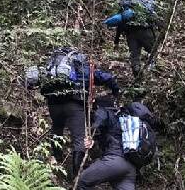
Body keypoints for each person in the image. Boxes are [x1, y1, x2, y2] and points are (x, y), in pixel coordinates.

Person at [27, 48, 119, 178]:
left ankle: (57, 161)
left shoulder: (52, 68)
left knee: (57, 130)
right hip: (75, 106)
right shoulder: (82, 68)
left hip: (54, 104)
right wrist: (116, 91)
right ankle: (76, 176)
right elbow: (106, 78)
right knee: (79, 139)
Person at [105, 0, 158, 77]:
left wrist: (116, 41)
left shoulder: (124, 7)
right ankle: (152, 74)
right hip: (145, 30)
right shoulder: (145, 3)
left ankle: (138, 78)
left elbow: (120, 23)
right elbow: (153, 17)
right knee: (152, 52)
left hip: (130, 34)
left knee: (135, 57)